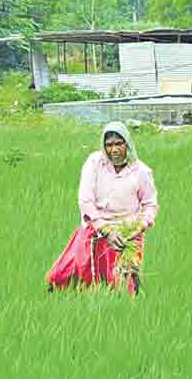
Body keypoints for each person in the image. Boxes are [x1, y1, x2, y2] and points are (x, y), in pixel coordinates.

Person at [46, 122, 159, 296]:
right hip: (96, 227)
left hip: (126, 233)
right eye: (109, 145)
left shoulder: (141, 172)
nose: (113, 150)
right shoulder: (95, 163)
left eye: (118, 144)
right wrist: (105, 230)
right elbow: (85, 200)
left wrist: (137, 229)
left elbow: (150, 205)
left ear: (127, 144)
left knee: (122, 284)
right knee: (70, 271)